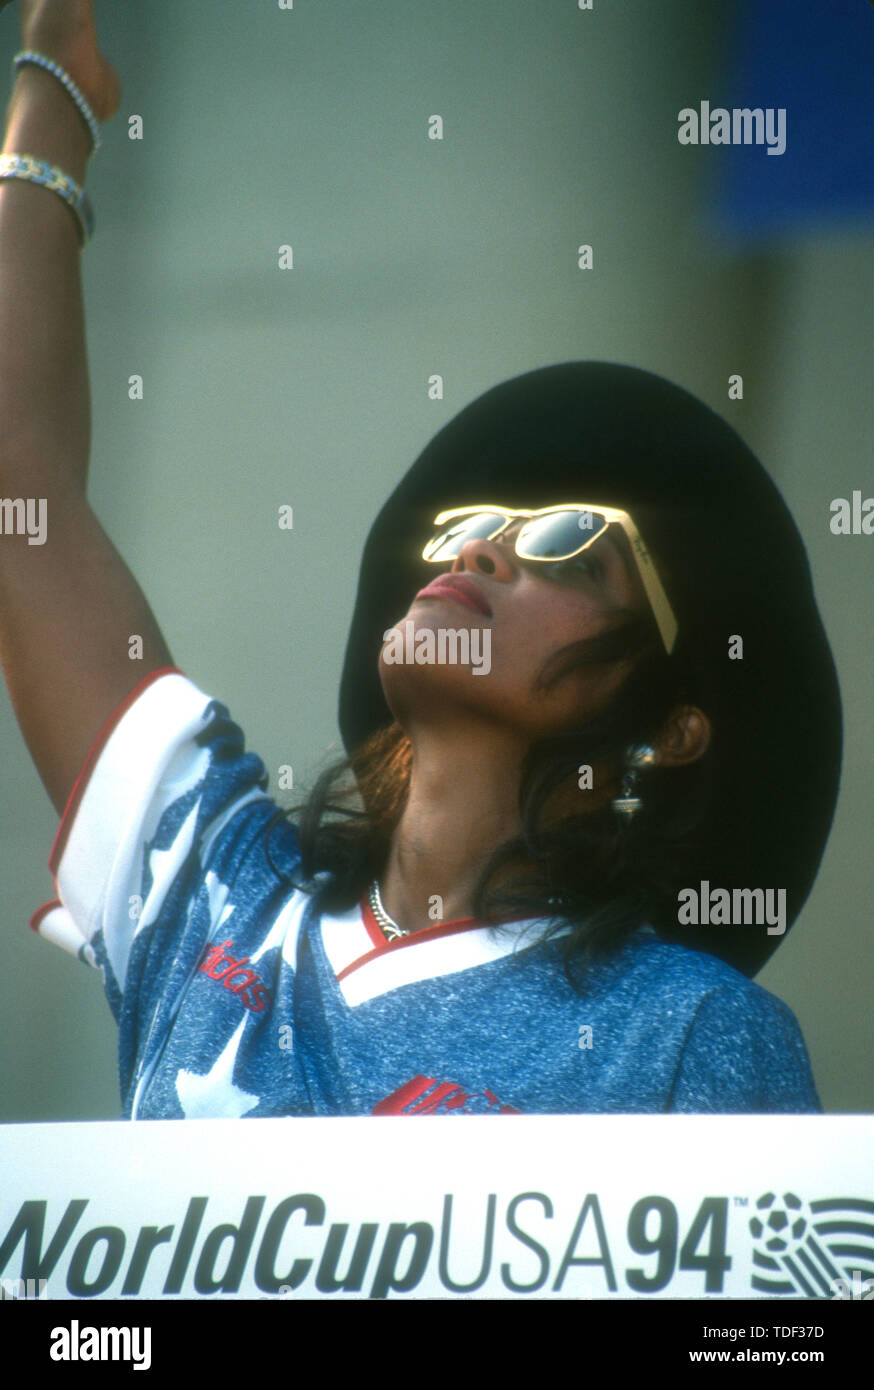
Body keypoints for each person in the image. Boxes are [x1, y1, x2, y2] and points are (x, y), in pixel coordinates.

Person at [0, 1, 841, 1120]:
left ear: (673, 721)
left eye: (571, 544)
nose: (485, 545)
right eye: (475, 524)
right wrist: (51, 84)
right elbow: (22, 498)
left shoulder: (696, 1032)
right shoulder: (214, 895)